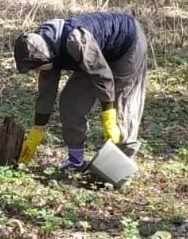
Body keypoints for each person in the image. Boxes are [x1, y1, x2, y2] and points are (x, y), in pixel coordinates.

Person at [14, 10, 149, 172]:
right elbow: (46, 94)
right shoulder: (41, 49)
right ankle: (76, 161)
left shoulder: (76, 41)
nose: (37, 72)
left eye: (36, 67)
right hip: (93, 55)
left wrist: (109, 117)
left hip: (127, 46)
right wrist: (37, 131)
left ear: (45, 58)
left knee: (123, 109)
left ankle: (119, 168)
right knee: (71, 102)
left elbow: (103, 77)